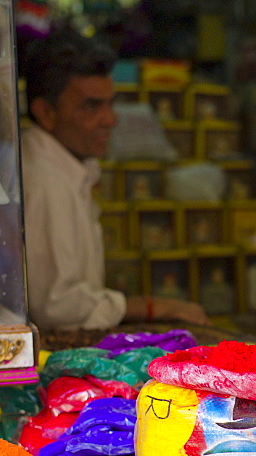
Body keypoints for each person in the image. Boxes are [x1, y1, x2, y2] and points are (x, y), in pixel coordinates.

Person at [21, 30, 208, 330]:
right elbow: (57, 307)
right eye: (91, 106)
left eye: (110, 104)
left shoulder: (70, 167)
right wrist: (152, 307)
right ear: (46, 112)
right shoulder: (43, 177)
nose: (111, 119)